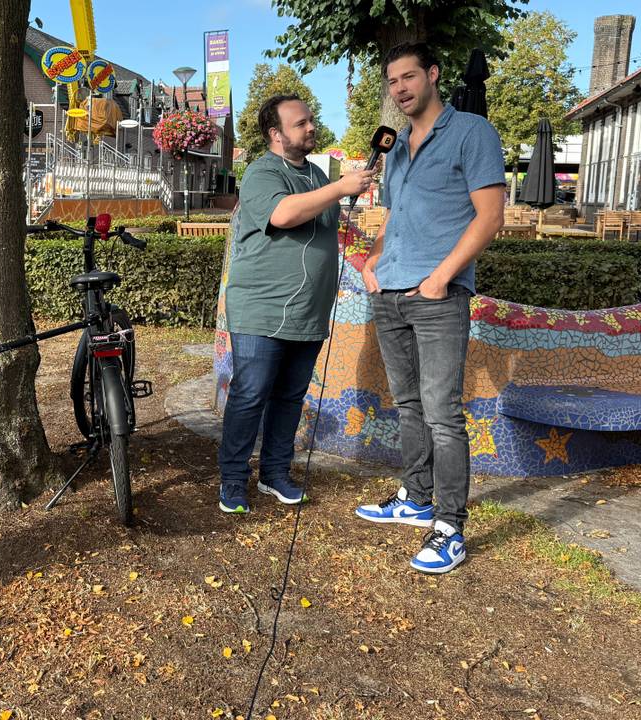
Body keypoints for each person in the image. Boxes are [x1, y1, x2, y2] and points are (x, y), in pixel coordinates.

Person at [353, 43, 505, 574]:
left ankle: (449, 527)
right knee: (408, 403)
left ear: (433, 75)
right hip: (389, 291)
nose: (400, 88)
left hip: (438, 295)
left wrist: (442, 278)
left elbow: (489, 217)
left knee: (443, 412)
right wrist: (372, 262)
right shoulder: (394, 149)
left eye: (409, 76)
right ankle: (416, 498)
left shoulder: (472, 132)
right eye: (392, 81)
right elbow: (393, 219)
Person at [219, 94, 375, 514]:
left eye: (311, 120)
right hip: (261, 308)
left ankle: (274, 474)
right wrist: (340, 188)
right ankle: (233, 481)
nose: (311, 128)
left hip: (308, 310)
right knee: (250, 393)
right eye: (301, 123)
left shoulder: (316, 173)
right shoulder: (261, 172)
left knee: (290, 396)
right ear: (276, 134)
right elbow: (284, 214)